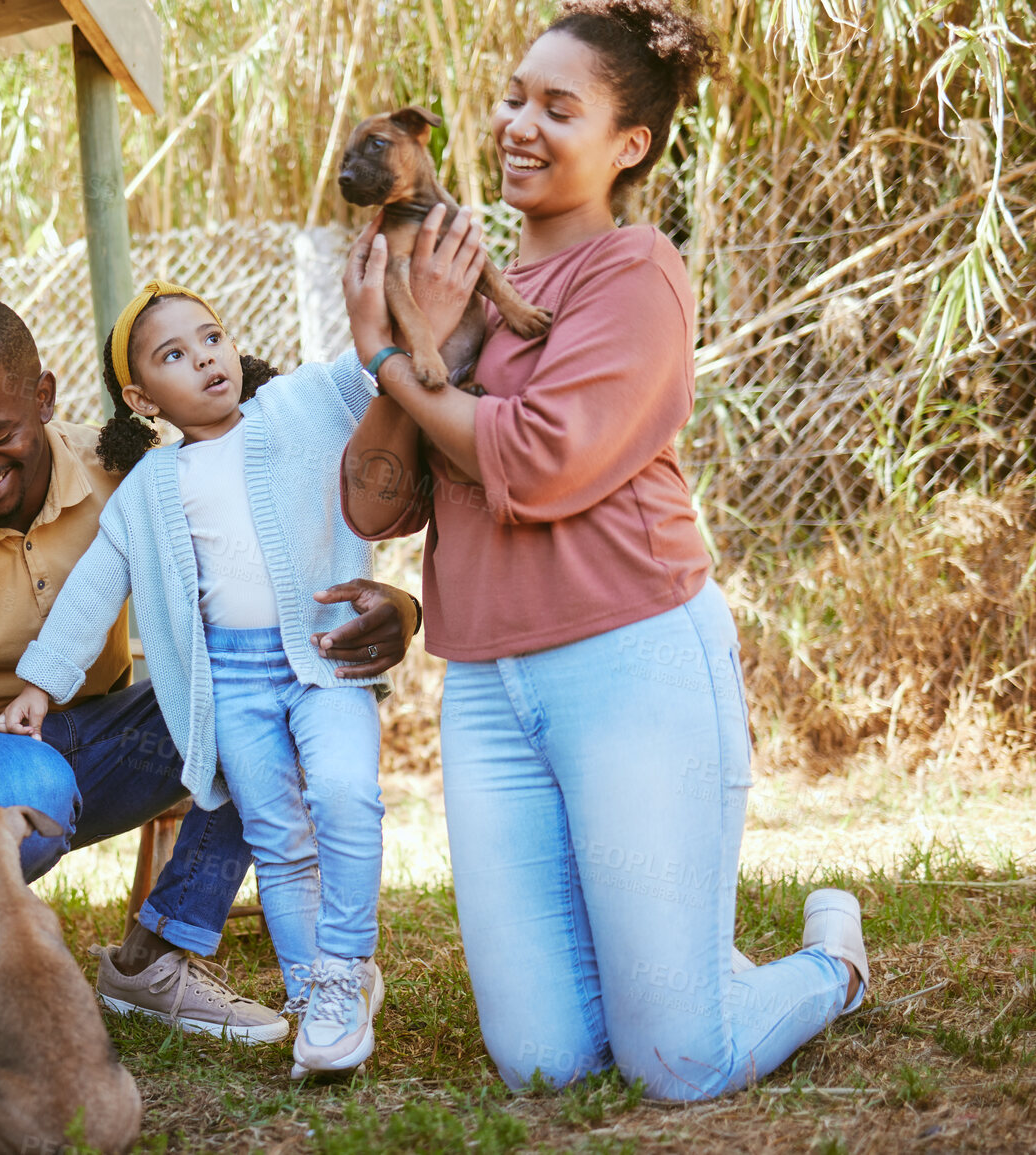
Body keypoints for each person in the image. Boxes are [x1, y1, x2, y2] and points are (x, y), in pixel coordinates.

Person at [338, 0, 869, 1100]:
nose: (520, 124)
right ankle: (676, 964)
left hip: (629, 664)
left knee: (680, 1062)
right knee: (542, 1064)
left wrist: (398, 362)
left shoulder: (635, 275)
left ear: (629, 145)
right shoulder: (454, 278)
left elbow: (536, 464)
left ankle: (830, 963)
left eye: (559, 107)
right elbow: (375, 503)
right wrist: (418, 349)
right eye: (515, 97)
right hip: (487, 687)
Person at [0, 292, 417, 1046]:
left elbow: (289, 517)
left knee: (257, 718)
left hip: (113, 727)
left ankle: (152, 958)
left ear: (43, 397)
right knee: (31, 785)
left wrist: (403, 605)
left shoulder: (131, 470)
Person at [0, 280, 395, 1079]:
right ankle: (315, 993)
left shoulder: (300, 404)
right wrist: (41, 681)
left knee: (348, 794)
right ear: (143, 398)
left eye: (209, 337)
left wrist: (388, 307)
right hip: (236, 686)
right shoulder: (149, 488)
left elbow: (380, 373)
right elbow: (96, 585)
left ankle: (347, 963)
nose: (204, 357)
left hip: (324, 662)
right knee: (276, 835)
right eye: (173, 355)